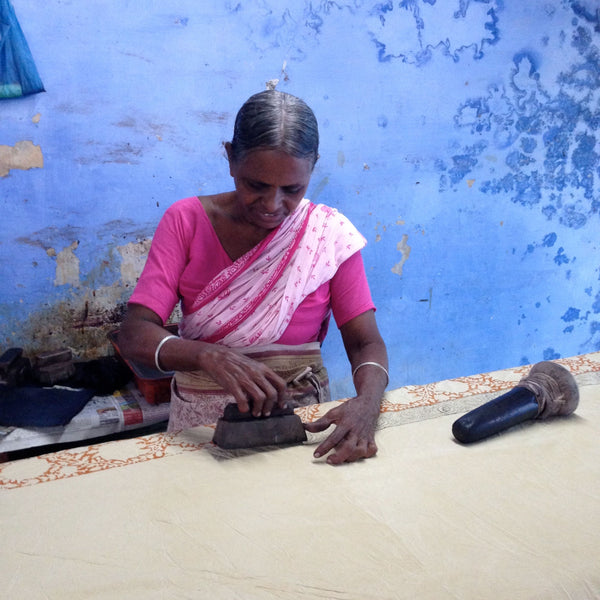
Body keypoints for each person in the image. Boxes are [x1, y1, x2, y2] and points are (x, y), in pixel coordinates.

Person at [118, 90, 389, 465]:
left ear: (313, 168)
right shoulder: (186, 221)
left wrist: (366, 407)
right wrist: (208, 356)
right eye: (255, 185)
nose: (272, 205)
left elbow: (365, 344)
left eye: (292, 189)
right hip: (201, 429)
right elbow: (135, 333)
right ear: (230, 158)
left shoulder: (327, 235)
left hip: (299, 423)